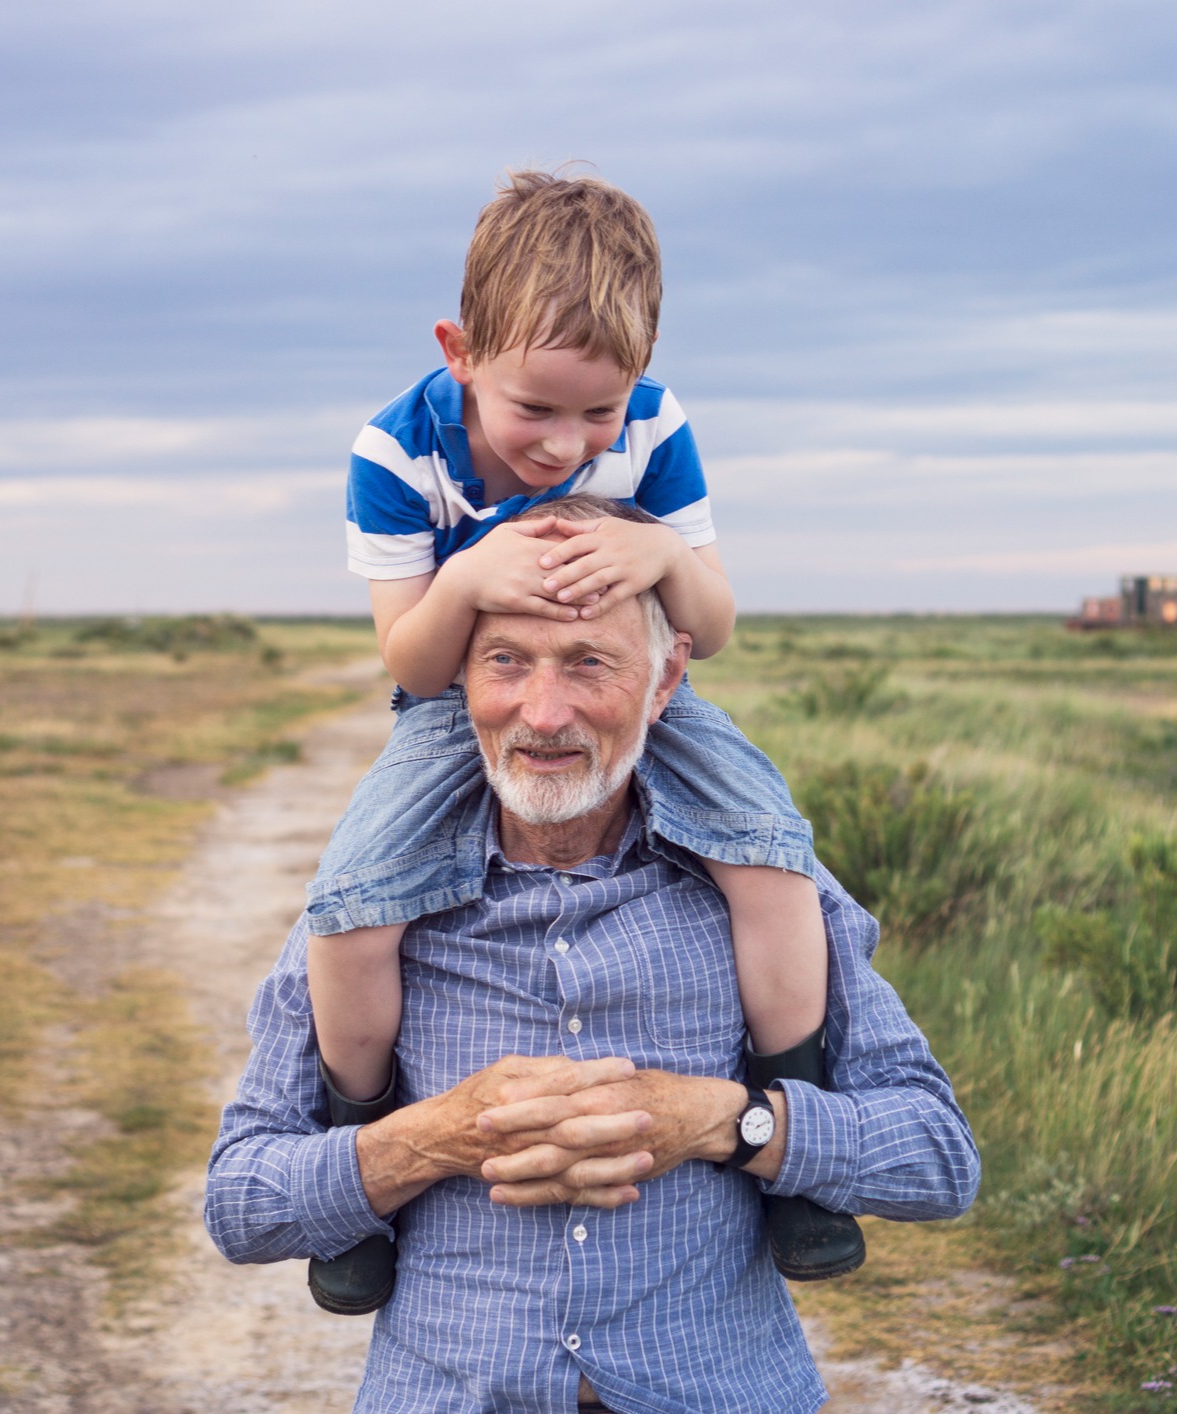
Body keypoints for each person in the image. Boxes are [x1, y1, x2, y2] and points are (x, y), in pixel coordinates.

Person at [205, 553, 980, 1412]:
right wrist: (433, 1138)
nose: (543, 714)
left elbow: (938, 1157)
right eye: (505, 661)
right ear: (459, 678)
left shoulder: (774, 891)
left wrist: (728, 1121)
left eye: (589, 664)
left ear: (664, 679)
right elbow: (241, 1204)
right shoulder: (368, 905)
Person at [304, 169, 855, 1312]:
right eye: (536, 411)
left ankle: (794, 1137)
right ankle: (360, 1159)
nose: (567, 444)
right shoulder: (394, 452)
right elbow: (410, 661)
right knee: (354, 899)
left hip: (641, 685)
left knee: (770, 852)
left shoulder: (656, 425)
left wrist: (662, 557)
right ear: (460, 352)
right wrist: (468, 580)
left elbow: (712, 626)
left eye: (597, 411)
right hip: (455, 700)